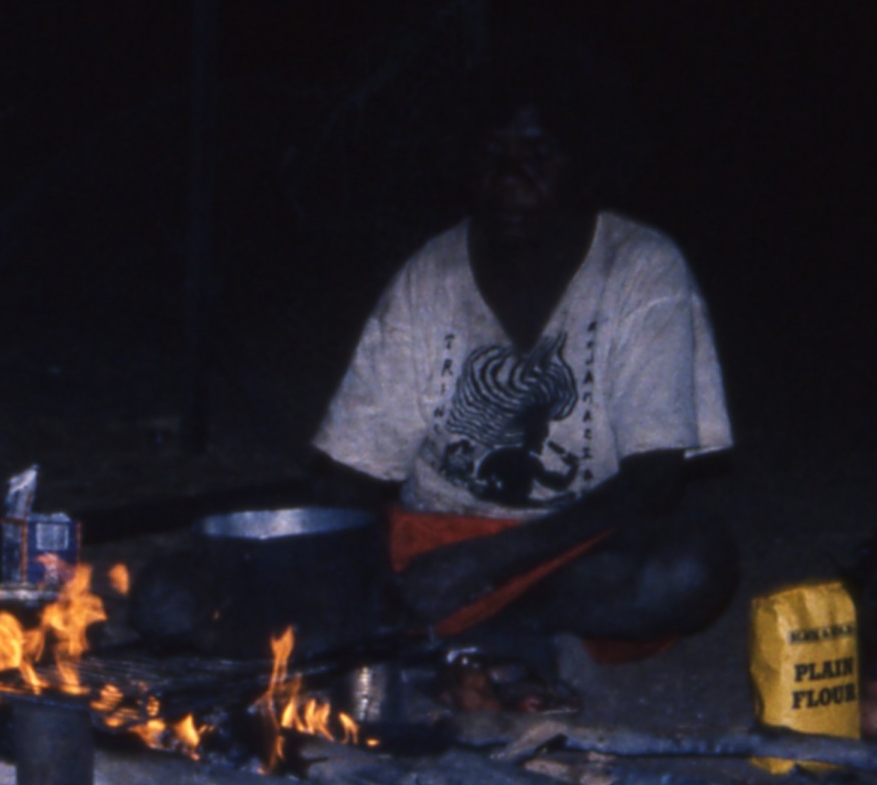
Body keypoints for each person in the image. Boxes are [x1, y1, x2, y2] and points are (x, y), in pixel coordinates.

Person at [312, 38, 737, 710]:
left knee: (691, 567)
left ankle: (479, 636)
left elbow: (655, 481)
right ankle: (489, 641)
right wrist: (377, 576)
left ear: (586, 161)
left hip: (569, 549)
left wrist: (490, 565)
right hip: (435, 541)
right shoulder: (432, 275)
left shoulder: (640, 268)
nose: (508, 178)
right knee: (178, 594)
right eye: (491, 155)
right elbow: (353, 473)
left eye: (538, 156)